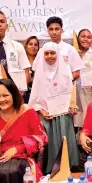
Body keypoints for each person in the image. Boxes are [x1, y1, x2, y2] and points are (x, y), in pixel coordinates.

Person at [0, 79, 48, 183]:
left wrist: (17, 149)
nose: (1, 100)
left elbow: (41, 138)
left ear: (14, 94)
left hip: (21, 156)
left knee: (13, 171)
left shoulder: (27, 111)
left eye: (5, 95)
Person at [28, 42, 80, 174]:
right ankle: (50, 174)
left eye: (53, 53)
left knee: (65, 146)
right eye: (46, 53)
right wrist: (42, 111)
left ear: (58, 54)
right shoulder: (39, 73)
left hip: (63, 116)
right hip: (47, 117)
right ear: (42, 55)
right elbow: (34, 98)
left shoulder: (65, 72)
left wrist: (71, 107)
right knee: (50, 148)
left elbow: (71, 95)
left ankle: (68, 172)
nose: (50, 56)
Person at [43, 16, 84, 81]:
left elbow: (76, 73)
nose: (54, 32)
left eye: (57, 29)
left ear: (62, 30)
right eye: (51, 29)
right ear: (48, 31)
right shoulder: (43, 49)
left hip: (66, 89)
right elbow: (39, 71)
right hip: (47, 89)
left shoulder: (70, 49)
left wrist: (64, 83)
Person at [23, 36, 40, 103]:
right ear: (26, 46)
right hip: (24, 95)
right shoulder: (21, 61)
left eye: (36, 45)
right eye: (30, 44)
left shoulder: (41, 61)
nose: (33, 46)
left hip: (39, 95)